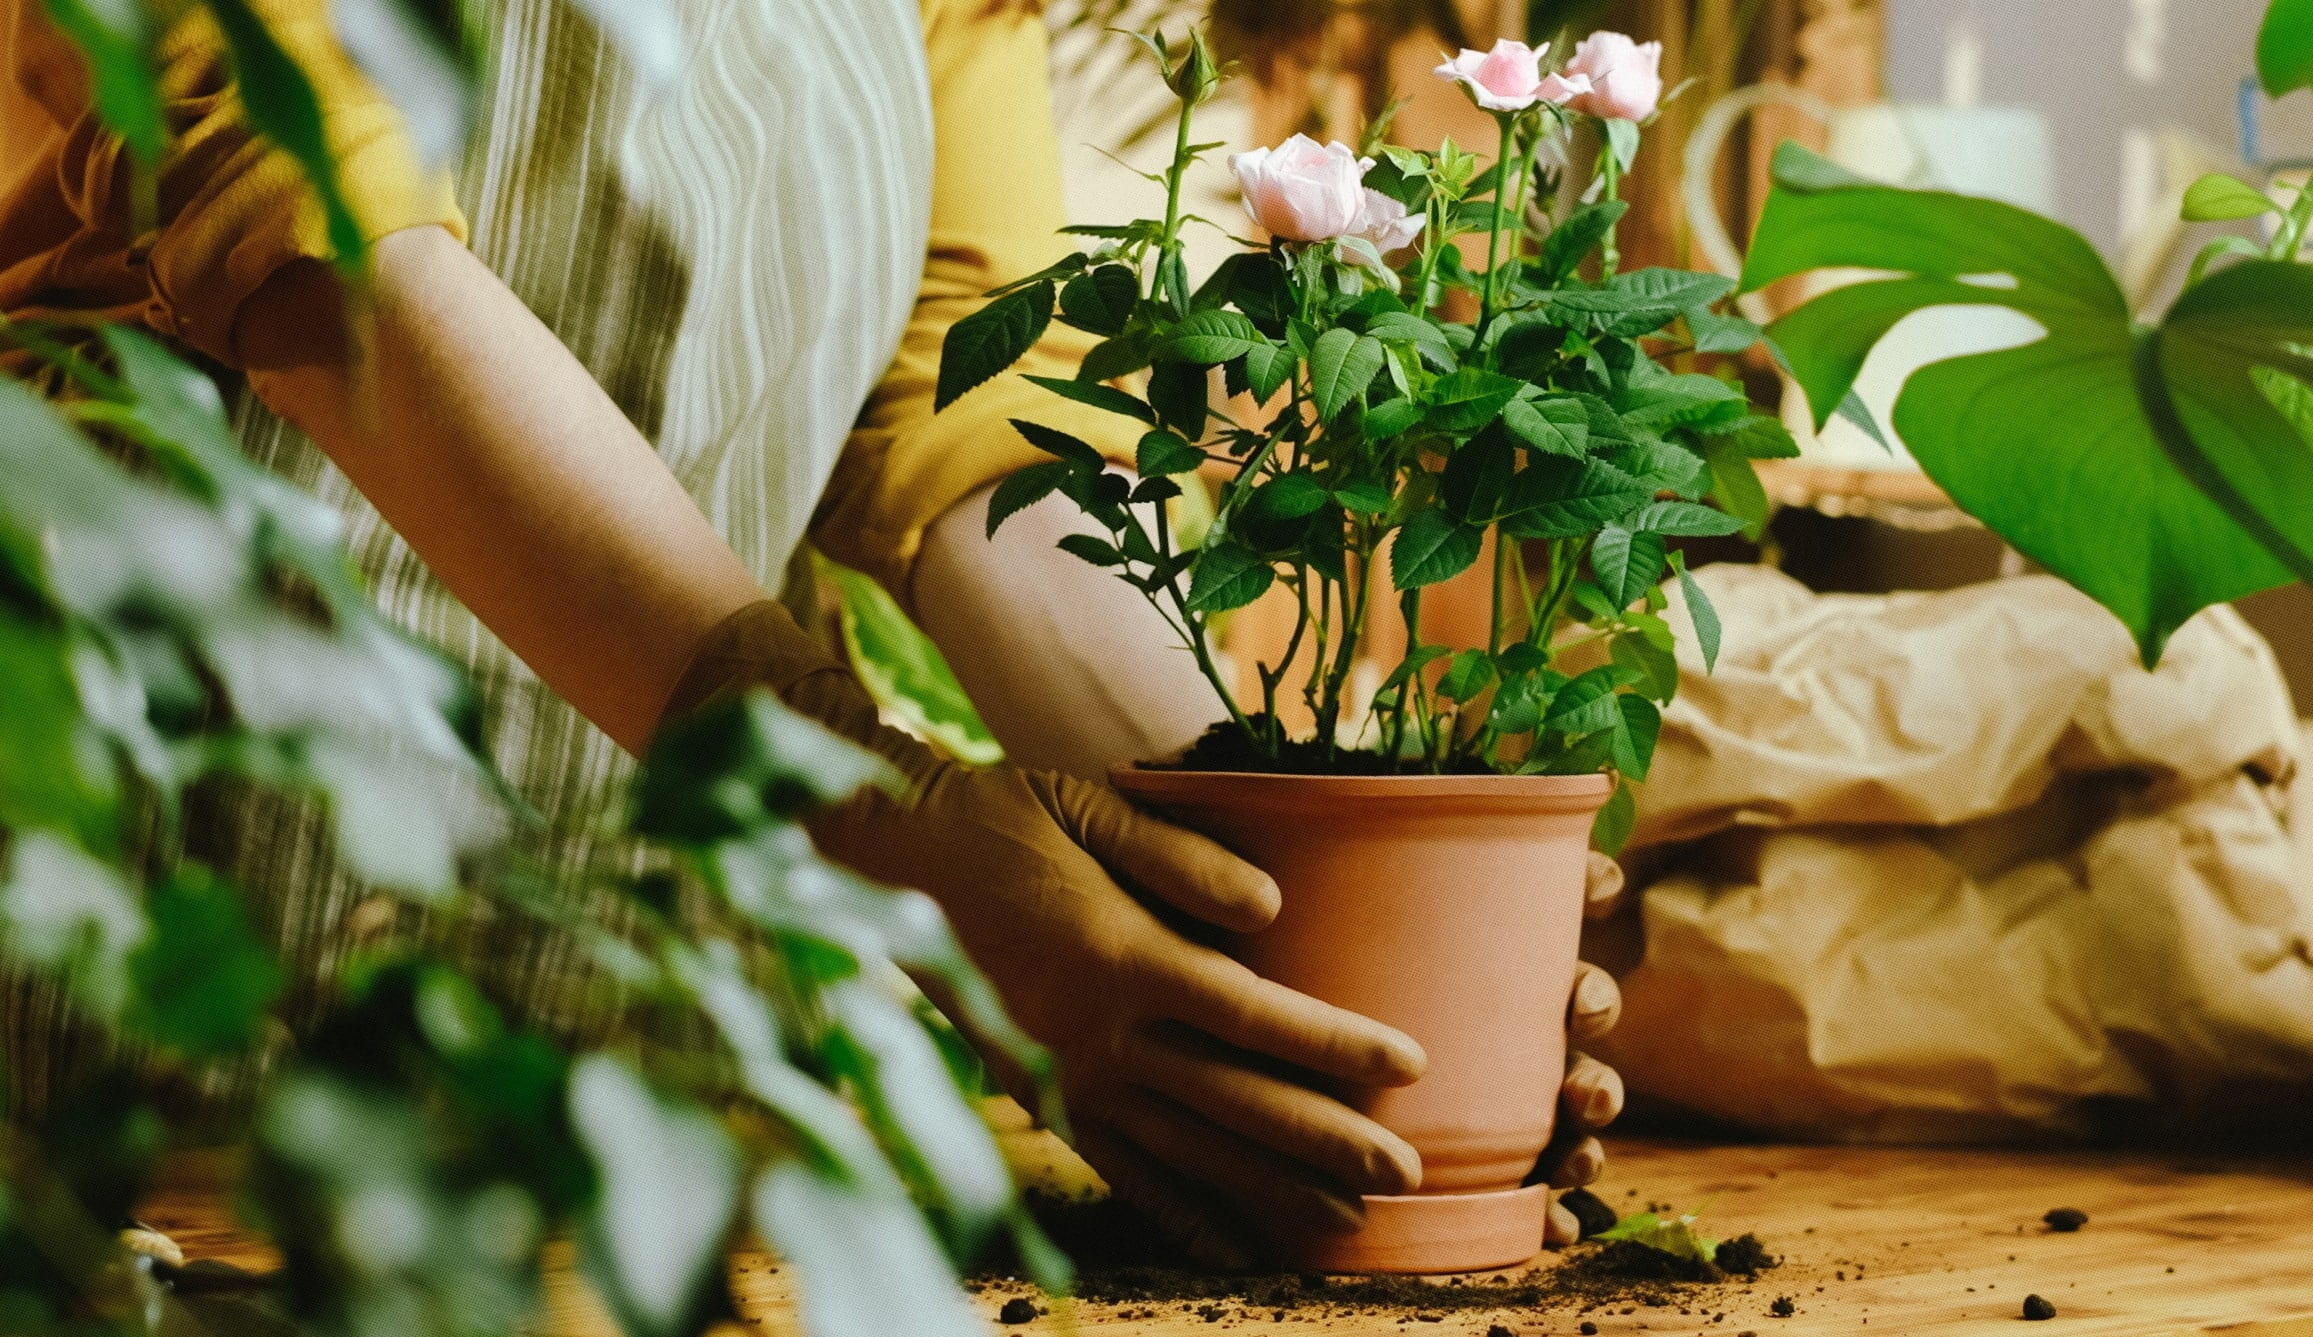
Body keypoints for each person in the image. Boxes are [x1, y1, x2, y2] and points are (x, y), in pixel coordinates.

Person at [0, 0, 1627, 1260]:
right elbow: (325, 265)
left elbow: (960, 446)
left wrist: (1297, 901)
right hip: (140, 1010)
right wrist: (891, 808)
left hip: (601, 1061)